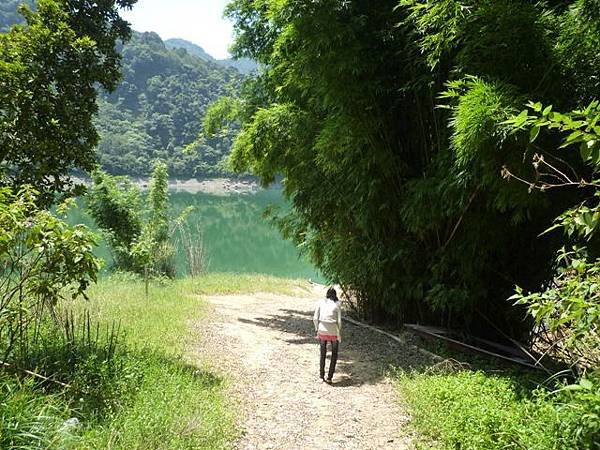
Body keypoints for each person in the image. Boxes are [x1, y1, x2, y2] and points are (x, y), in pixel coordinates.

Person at [313, 287, 342, 383]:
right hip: (333, 330)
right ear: (335, 295)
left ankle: (321, 376)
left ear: (327, 294)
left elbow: (315, 318)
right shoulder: (337, 304)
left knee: (323, 353)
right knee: (334, 354)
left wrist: (317, 329)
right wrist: (338, 333)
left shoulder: (320, 302)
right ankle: (329, 377)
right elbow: (339, 322)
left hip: (322, 329)